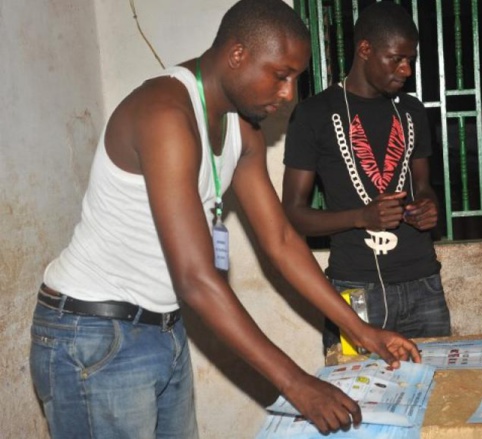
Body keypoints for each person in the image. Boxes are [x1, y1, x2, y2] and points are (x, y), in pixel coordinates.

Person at [29, 1, 420, 437]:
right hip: (94, 333)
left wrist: (360, 330)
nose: (289, 93)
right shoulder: (165, 115)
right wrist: (296, 384)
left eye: (295, 78)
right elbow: (196, 278)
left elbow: (282, 241)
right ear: (238, 55)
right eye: (281, 75)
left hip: (163, 326)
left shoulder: (242, 127)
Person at [282, 2, 451, 351]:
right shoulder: (314, 114)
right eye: (396, 58)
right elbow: (294, 215)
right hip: (354, 290)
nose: (406, 69)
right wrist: (361, 217)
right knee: (357, 399)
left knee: (437, 393)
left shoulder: (412, 111)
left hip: (424, 283)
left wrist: (428, 207)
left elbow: (423, 186)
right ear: (365, 50)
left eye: (411, 60)